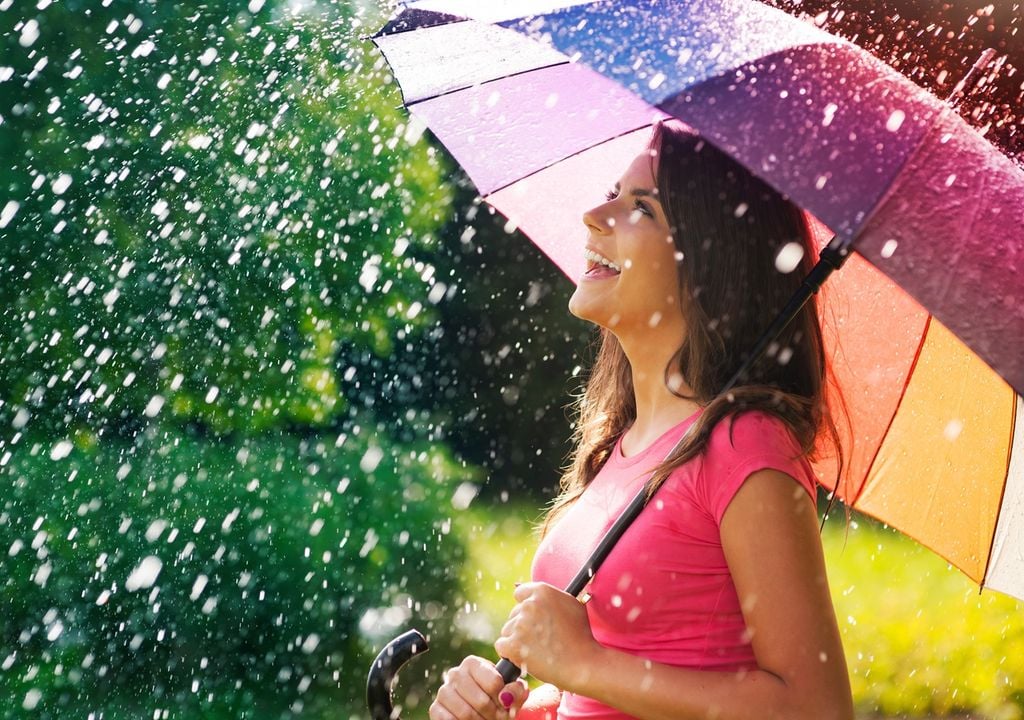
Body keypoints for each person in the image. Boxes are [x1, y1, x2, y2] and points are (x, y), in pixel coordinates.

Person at [428, 120, 854, 720]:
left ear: (710, 261)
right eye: (611, 191)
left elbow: (816, 709)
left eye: (643, 208)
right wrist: (532, 706)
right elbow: (620, 684)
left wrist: (583, 665)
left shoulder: (745, 444)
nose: (596, 215)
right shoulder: (621, 445)